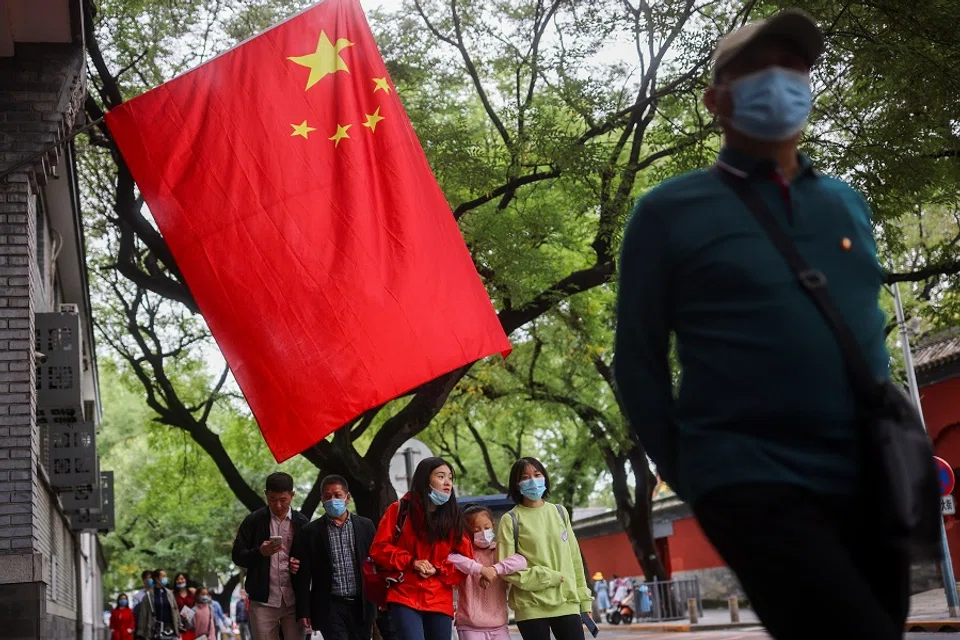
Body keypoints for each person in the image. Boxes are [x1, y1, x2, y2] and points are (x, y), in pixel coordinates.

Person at [613, 8, 908, 640]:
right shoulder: (667, 213)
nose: (780, 82)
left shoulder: (844, 203)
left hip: (866, 471)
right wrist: (694, 471)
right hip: (750, 473)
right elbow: (636, 361)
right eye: (756, 70)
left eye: (794, 69)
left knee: (884, 622)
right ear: (715, 99)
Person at [369, 457, 472, 640]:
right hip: (404, 594)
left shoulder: (454, 518)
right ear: (425, 479)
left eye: (450, 477)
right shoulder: (399, 510)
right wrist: (411, 562)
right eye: (441, 476)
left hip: (439, 597)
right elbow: (379, 549)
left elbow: (465, 562)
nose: (447, 482)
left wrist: (438, 569)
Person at [498, 457, 592, 640]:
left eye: (537, 474)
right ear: (517, 485)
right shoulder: (510, 520)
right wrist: (548, 577)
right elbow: (506, 569)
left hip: (567, 602)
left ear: (545, 478)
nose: (533, 480)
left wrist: (585, 601)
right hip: (530, 607)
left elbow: (574, 559)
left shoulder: (560, 512)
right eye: (525, 477)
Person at [292, 474, 377, 640]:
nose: (332, 500)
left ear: (347, 498)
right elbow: (303, 575)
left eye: (337, 495)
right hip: (330, 606)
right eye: (327, 496)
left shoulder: (365, 526)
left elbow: (376, 563)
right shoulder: (310, 532)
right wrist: (304, 610)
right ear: (322, 499)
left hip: (361, 604)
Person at [232, 472, 309, 640]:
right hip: (262, 602)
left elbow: (313, 560)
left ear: (292, 495)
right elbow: (237, 556)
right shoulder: (253, 521)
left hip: (294, 601)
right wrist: (259, 553)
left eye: (283, 500)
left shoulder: (303, 523)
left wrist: (300, 564)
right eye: (273, 499)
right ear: (266, 494)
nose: (278, 505)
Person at [447, 505, 527, 640]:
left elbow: (522, 560)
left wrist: (494, 570)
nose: (483, 533)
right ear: (466, 532)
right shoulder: (464, 555)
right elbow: (450, 558)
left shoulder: (499, 551)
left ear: (493, 525)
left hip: (499, 625)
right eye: (476, 530)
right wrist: (481, 570)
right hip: (469, 626)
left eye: (487, 527)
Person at [135, 569, 182, 639]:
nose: (166, 578)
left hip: (171, 631)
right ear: (157, 578)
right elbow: (143, 615)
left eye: (166, 576)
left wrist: (179, 625)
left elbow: (175, 610)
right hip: (156, 632)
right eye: (163, 576)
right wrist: (141, 633)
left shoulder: (169, 593)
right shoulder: (148, 595)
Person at [173, 573, 196, 640]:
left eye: (182, 578)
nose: (180, 581)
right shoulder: (172, 594)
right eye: (177, 579)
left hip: (191, 625)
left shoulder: (192, 593)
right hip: (178, 625)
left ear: (186, 580)